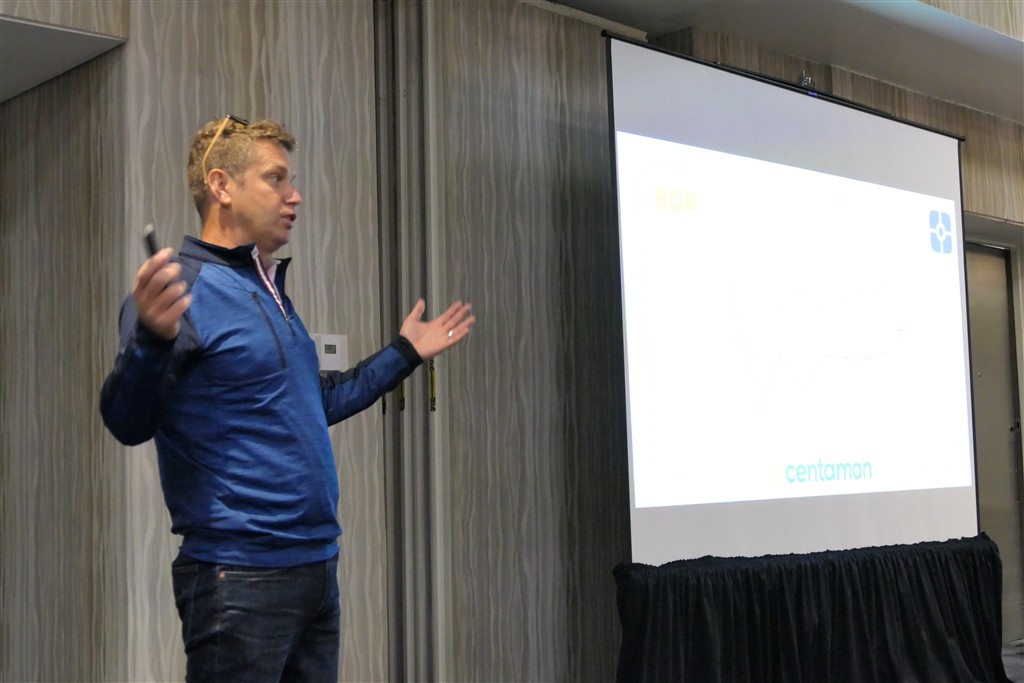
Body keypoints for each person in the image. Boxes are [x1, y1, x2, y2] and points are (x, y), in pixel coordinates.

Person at [100, 115, 474, 681]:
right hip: (239, 576)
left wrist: (404, 353)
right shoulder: (183, 288)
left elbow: (314, 404)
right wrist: (152, 338)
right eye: (276, 179)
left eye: (290, 180)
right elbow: (127, 421)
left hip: (316, 568)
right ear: (222, 186)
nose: (293, 195)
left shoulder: (267, 289)